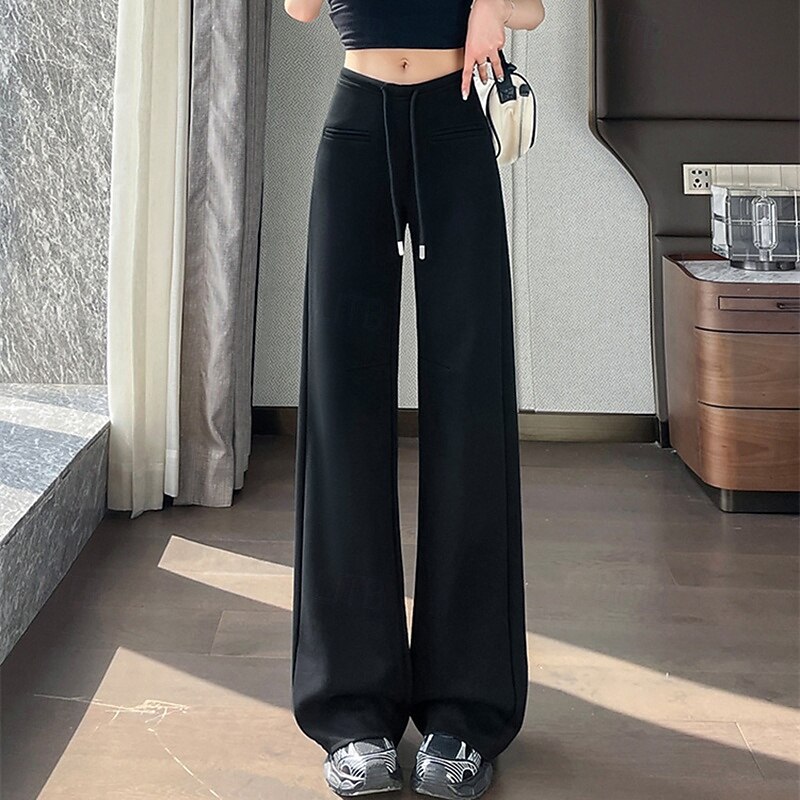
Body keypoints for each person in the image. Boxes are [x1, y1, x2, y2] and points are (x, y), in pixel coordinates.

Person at [285, 0, 546, 796]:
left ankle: (465, 712)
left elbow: (531, 10)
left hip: (453, 119)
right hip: (356, 125)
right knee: (341, 410)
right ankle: (351, 712)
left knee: (471, 410)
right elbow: (300, 8)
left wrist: (487, 5)